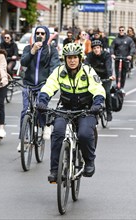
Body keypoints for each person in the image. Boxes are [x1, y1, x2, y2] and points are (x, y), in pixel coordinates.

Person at [37, 43, 105, 182]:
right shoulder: (59, 71)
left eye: (75, 57)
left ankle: (89, 162)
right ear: (65, 59)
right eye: (69, 58)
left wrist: (97, 104)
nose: (72, 60)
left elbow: (98, 88)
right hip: (65, 107)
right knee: (58, 134)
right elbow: (49, 86)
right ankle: (55, 170)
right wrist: (42, 101)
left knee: (84, 134)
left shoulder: (88, 71)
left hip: (86, 109)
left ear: (80, 58)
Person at [18, 25, 60, 151]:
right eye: (38, 33)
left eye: (42, 33)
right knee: (25, 111)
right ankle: (23, 140)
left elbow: (54, 68)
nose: (40, 35)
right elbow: (23, 63)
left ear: (46, 35)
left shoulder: (52, 50)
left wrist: (50, 83)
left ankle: (46, 124)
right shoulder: (28, 48)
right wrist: (33, 51)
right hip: (28, 84)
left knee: (41, 106)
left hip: (43, 84)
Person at [85, 40, 114, 121]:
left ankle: (109, 112)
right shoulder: (90, 55)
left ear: (101, 48)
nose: (96, 50)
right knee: (89, 92)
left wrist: (110, 75)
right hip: (94, 77)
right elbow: (85, 65)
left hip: (106, 77)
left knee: (106, 92)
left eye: (98, 48)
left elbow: (109, 66)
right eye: (94, 48)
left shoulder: (106, 55)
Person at [110, 26, 136, 91]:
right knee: (117, 73)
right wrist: (112, 54)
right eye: (120, 30)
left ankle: (122, 87)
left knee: (123, 74)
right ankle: (117, 87)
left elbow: (133, 47)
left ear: (124, 31)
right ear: (119, 31)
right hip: (117, 59)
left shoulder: (129, 39)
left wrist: (130, 55)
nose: (121, 31)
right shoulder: (116, 39)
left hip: (125, 58)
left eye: (122, 30)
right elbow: (112, 47)